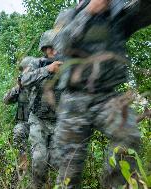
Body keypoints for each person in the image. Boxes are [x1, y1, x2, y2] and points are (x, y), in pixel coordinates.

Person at [51, 0, 151, 187]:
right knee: (69, 170)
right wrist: (88, 12)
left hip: (108, 98)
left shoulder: (119, 14)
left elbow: (144, 11)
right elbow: (60, 43)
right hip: (74, 100)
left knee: (128, 138)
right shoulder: (69, 15)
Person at [20, 30, 62, 188]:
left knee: (57, 161)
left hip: (59, 121)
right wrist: (48, 70)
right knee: (39, 159)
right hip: (38, 119)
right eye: (49, 48)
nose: (53, 51)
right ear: (44, 49)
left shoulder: (68, 63)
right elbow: (23, 80)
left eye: (56, 47)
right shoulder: (36, 64)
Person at [3, 56, 39, 172]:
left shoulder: (42, 84)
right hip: (24, 123)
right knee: (18, 131)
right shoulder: (20, 88)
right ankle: (23, 161)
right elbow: (6, 100)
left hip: (40, 124)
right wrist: (19, 87)